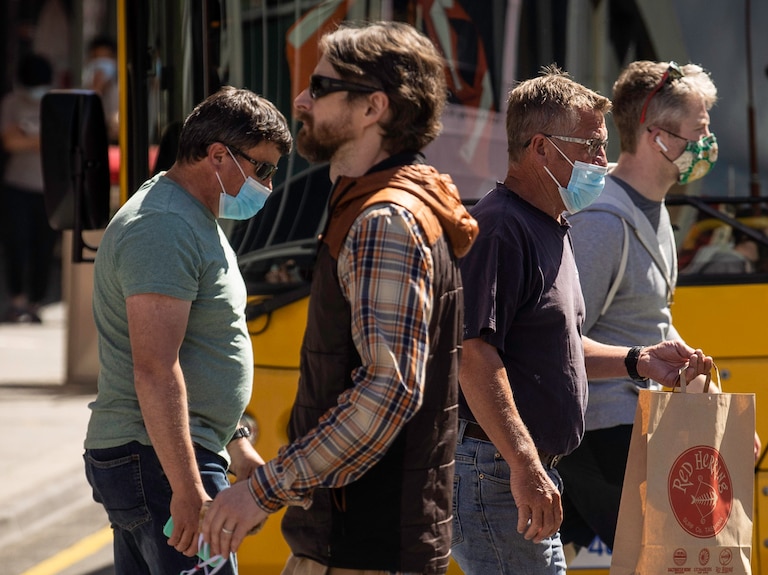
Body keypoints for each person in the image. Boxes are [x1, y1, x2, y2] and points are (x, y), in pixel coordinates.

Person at [200, 21, 478, 575]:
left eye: (320, 88)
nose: (301, 100)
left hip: (362, 549)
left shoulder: (385, 221)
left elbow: (387, 390)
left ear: (374, 106)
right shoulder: (381, 198)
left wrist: (265, 489)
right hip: (357, 542)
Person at [451, 65, 714, 575]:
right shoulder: (502, 228)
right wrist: (526, 468)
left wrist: (640, 361)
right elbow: (474, 354)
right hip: (498, 472)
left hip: (522, 472)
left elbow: (559, 349)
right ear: (540, 148)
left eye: (603, 144)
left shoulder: (552, 224)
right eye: (589, 146)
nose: (602, 160)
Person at [83, 86, 293, 574]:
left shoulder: (192, 217)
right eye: (261, 168)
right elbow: (155, 369)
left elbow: (200, 351)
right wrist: (186, 488)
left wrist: (235, 443)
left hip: (173, 456)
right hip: (160, 461)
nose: (266, 183)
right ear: (218, 155)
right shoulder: (162, 226)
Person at [556, 60, 760, 556]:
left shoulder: (654, 209)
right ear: (657, 136)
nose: (708, 144)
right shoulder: (604, 223)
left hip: (634, 428)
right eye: (699, 131)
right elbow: (557, 339)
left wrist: (719, 410)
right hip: (606, 436)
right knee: (670, 561)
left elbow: (651, 322)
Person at [1, 52, 59, 323]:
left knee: (43, 247)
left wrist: (27, 136)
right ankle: (17, 299)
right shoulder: (11, 102)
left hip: (49, 187)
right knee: (17, 243)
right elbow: (10, 142)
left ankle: (35, 302)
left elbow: (59, 142)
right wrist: (42, 139)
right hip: (18, 185)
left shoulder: (56, 101)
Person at [82, 34, 119, 142]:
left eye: (106, 59)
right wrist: (96, 89)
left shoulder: (123, 90)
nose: (101, 66)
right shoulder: (83, 91)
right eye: (97, 58)